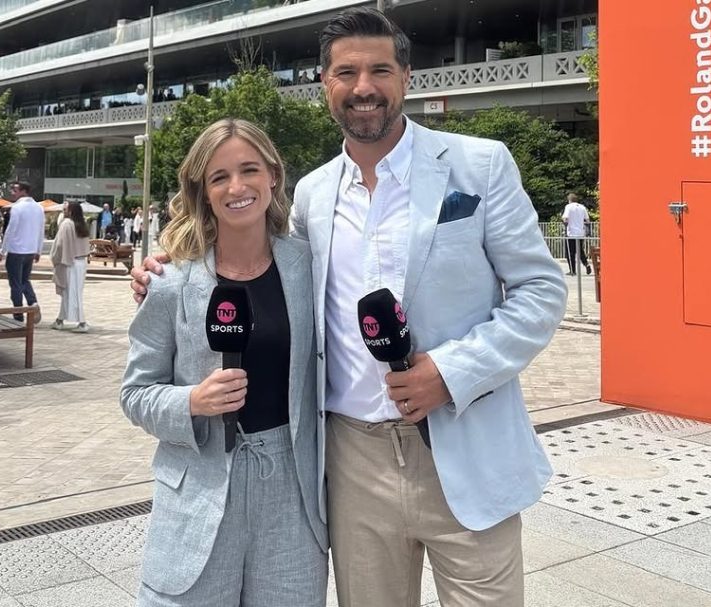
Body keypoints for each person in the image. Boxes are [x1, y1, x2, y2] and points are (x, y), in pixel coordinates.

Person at [133, 9, 566, 606]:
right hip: (350, 460)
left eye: (380, 70)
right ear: (326, 84)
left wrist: (449, 372)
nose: (365, 87)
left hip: (467, 445)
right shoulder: (311, 195)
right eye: (348, 72)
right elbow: (248, 250)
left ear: (407, 77)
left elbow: (540, 292)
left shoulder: (479, 165)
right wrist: (168, 266)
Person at [121, 118, 327, 606]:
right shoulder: (170, 281)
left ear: (273, 175)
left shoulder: (311, 266)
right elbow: (135, 392)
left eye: (249, 169)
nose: (237, 187)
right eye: (219, 177)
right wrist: (191, 400)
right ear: (203, 192)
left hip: (291, 490)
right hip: (200, 484)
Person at [0, 181, 44, 322]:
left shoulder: (17, 208)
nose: (13, 193)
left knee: (15, 283)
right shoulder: (39, 208)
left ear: (23, 191)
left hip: (16, 251)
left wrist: (2, 251)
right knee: (24, 280)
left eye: (15, 190)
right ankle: (32, 303)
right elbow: (41, 231)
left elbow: (10, 230)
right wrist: (38, 250)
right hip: (30, 250)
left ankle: (18, 314)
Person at [49, 201, 91, 333]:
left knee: (72, 293)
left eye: (65, 209)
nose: (63, 211)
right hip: (81, 262)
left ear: (71, 211)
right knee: (71, 292)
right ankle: (60, 320)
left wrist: (55, 259)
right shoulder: (82, 225)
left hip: (69, 262)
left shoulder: (66, 224)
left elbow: (59, 245)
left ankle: (82, 323)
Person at [562, 192, 592, 275]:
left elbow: (565, 218)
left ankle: (573, 270)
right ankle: (587, 264)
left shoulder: (568, 207)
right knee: (580, 251)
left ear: (569, 200)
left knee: (569, 252)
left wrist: (565, 226)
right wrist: (588, 230)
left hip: (571, 233)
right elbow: (587, 220)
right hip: (580, 232)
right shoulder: (582, 207)